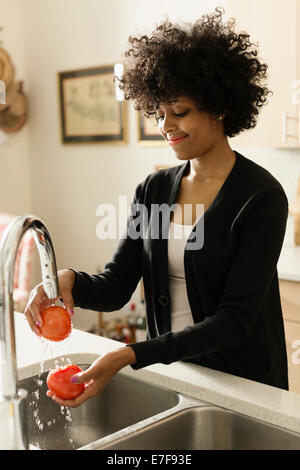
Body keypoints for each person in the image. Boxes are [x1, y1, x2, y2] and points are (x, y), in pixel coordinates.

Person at [25, 7, 289, 408]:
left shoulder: (261, 197)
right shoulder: (153, 189)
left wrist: (131, 354)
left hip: (245, 387)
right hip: (179, 376)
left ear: (219, 105)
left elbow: (234, 322)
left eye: (179, 112)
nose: (166, 126)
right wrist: (68, 280)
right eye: (160, 113)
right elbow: (115, 286)